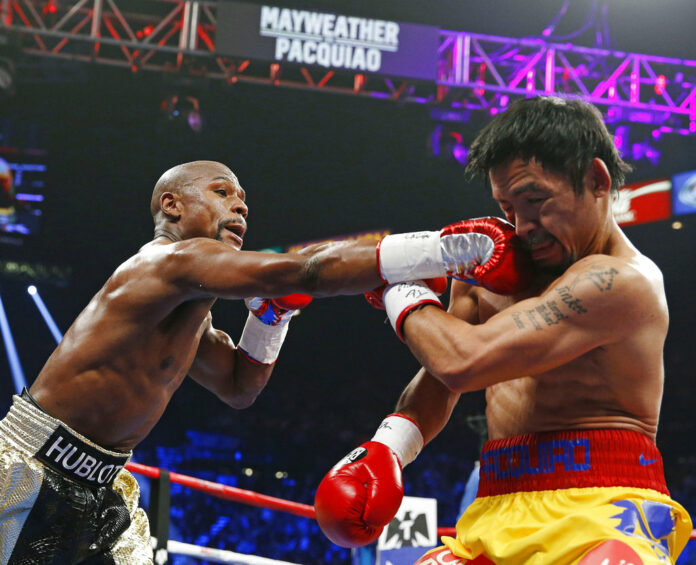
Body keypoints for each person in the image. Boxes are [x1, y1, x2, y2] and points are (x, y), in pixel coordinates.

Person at [0, 160, 531, 564]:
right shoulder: (166, 261)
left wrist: (269, 320)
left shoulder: (187, 308)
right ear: (172, 206)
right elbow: (302, 272)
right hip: (32, 465)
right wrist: (443, 251)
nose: (241, 206)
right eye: (222, 192)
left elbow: (239, 387)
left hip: (102, 484)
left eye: (244, 198)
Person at [314, 97, 693, 564]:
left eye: (535, 201)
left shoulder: (622, 281)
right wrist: (390, 447)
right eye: (507, 207)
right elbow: (440, 373)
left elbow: (461, 362)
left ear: (597, 180)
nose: (523, 225)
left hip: (606, 509)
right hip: (496, 506)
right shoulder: (491, 273)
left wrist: (400, 288)